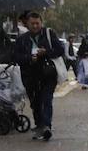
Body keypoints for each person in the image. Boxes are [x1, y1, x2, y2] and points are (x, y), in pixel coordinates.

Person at [14, 12, 65, 141]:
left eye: (38, 23)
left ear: (41, 23)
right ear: (27, 24)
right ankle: (39, 125)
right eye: (33, 24)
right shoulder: (22, 39)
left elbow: (60, 50)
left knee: (46, 100)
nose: (35, 26)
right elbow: (16, 57)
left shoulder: (49, 34)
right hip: (30, 76)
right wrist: (30, 58)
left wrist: (46, 52)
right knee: (35, 103)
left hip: (47, 74)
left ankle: (46, 126)